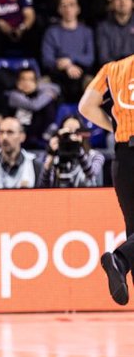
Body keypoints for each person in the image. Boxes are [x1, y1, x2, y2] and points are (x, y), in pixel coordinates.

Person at [79, 53, 134, 305]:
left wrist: (117, 127)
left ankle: (122, 261)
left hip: (123, 158)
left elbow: (85, 107)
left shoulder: (113, 69)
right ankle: (120, 259)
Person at [39, 115, 105, 188]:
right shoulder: (55, 157)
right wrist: (51, 154)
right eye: (68, 132)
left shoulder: (95, 155)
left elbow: (91, 175)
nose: (72, 136)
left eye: (76, 132)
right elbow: (43, 186)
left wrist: (78, 149)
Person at [0, 116, 42, 189]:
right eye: (1, 132)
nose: (4, 137)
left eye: (10, 132)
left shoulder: (34, 165)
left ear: (22, 136)